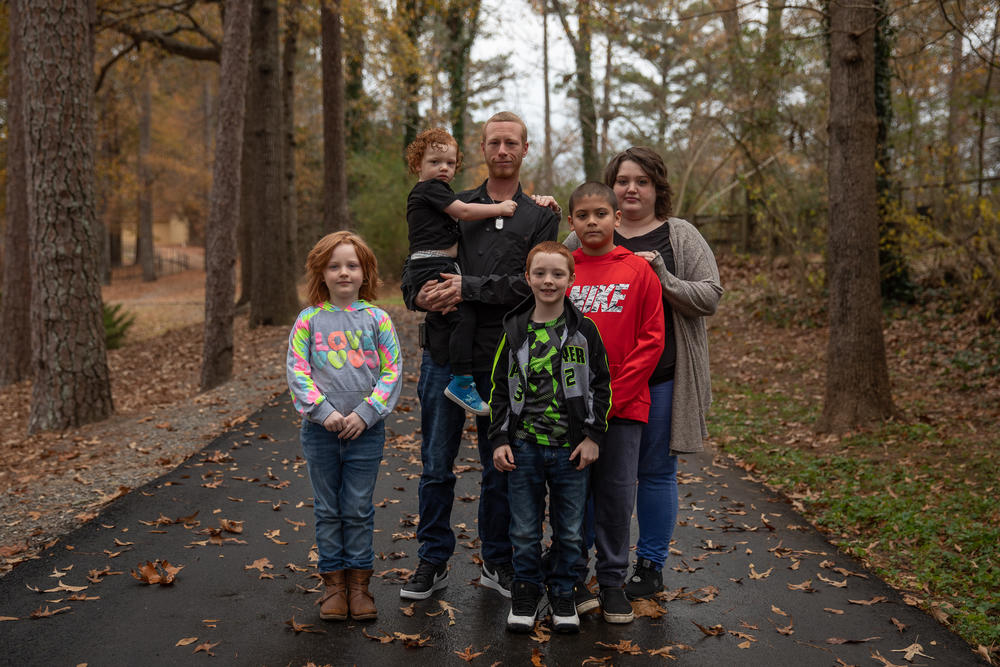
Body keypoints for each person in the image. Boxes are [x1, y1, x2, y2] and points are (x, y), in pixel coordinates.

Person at [400, 111, 559, 601]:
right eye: (495, 142)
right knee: (435, 463)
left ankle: (497, 561)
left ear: (525, 149)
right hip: (445, 355)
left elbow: (531, 285)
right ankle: (432, 560)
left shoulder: (540, 215)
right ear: (483, 148)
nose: (503, 150)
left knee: (500, 465)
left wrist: (468, 287)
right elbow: (419, 263)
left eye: (513, 143)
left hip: (505, 358)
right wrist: (418, 296)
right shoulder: (455, 202)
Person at [565, 147, 722, 600]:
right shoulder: (584, 234)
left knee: (655, 472)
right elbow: (551, 277)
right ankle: (583, 558)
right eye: (623, 180)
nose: (632, 188)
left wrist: (664, 276)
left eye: (642, 181)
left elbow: (710, 297)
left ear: (657, 189)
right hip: (591, 384)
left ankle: (649, 565)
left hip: (662, 378)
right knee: (591, 470)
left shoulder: (679, 235)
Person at [489, 241, 611, 634]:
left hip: (570, 451)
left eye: (558, 273)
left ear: (571, 280)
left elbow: (602, 386)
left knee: (570, 530)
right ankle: (526, 589)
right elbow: (499, 390)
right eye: (540, 273)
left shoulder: (584, 332)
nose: (548, 280)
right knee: (523, 528)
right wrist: (500, 439)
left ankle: (561, 590)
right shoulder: (514, 330)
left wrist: (593, 436)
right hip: (523, 447)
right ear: (528, 278)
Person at [286, 231, 403, 622]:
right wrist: (323, 411)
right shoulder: (308, 321)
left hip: (364, 432)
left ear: (364, 272)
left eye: (352, 265)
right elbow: (298, 372)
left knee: (356, 507)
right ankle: (333, 586)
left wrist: (366, 413)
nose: (343, 273)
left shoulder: (377, 319)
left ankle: (359, 586)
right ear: (321, 273)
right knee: (327, 508)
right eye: (334, 266)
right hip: (321, 432)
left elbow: (392, 371)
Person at [564, 182, 664, 624]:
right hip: (568, 410)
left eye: (600, 214)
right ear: (572, 223)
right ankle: (570, 577)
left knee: (616, 497)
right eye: (582, 215)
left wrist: (609, 401)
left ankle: (611, 582)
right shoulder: (563, 271)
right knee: (572, 496)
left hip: (622, 409)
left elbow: (651, 340)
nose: (592, 222)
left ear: (616, 218)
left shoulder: (639, 272)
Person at [402, 128, 517, 416]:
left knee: (460, 316)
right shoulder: (433, 190)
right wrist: (499, 209)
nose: (443, 168)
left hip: (435, 264)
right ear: (418, 164)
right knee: (462, 316)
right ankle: (462, 381)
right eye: (435, 162)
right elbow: (464, 212)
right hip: (433, 265)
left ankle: (461, 378)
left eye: (450, 163)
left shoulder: (436, 193)